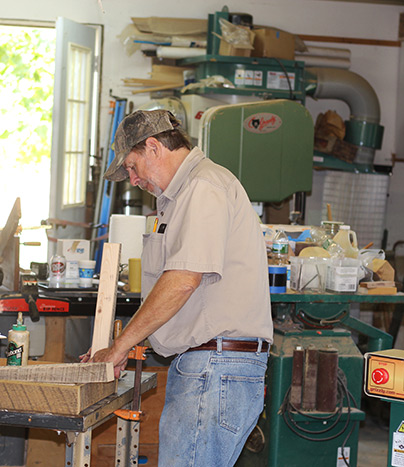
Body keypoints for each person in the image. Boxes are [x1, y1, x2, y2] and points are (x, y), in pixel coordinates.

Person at [90, 109, 273, 466]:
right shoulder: (182, 196)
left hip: (215, 367)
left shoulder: (201, 187)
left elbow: (182, 280)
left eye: (131, 165)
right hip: (210, 366)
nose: (132, 178)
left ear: (154, 147)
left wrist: (120, 346)